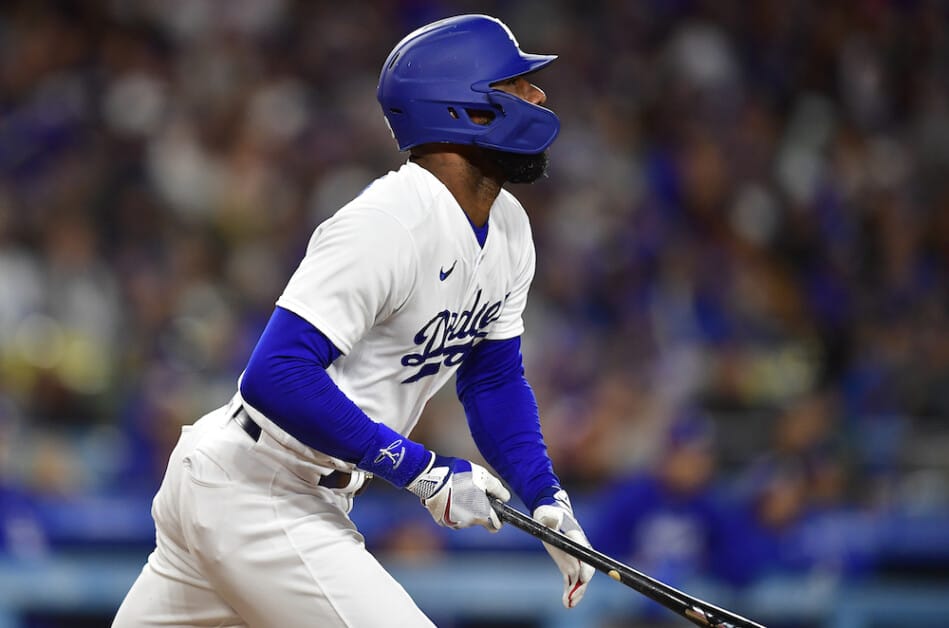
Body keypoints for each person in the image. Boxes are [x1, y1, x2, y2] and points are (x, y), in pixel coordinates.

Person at [113, 14, 594, 628]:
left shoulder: (509, 228)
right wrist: (420, 469)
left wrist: (545, 494)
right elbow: (276, 374)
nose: (538, 96)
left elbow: (492, 380)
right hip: (264, 488)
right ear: (466, 110)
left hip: (276, 488)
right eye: (516, 84)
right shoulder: (388, 222)